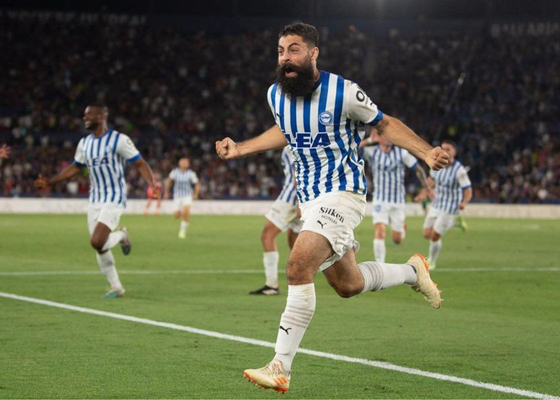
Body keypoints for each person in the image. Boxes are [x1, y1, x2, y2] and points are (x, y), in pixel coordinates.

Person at [215, 22, 449, 392]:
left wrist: (425, 152)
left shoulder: (344, 92)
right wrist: (242, 148)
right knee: (347, 284)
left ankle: (280, 366)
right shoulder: (276, 95)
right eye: (280, 51)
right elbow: (285, 130)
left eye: (294, 50)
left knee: (297, 266)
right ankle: (412, 271)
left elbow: (385, 124)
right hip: (309, 201)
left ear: (313, 53)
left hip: (343, 193)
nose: (285, 58)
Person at [34, 103, 159, 298]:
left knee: (97, 241)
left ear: (101, 116)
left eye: (89, 115)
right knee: (100, 247)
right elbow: (75, 167)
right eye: (84, 115)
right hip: (95, 199)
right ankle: (116, 287)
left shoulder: (119, 140)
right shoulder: (84, 143)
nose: (85, 118)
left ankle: (122, 235)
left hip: (114, 196)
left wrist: (152, 184)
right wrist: (50, 181)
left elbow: (140, 163)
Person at [360, 128, 431, 262]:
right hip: (380, 199)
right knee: (380, 231)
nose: (388, 138)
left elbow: (418, 169)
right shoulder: (372, 152)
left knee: (397, 239)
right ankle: (380, 266)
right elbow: (353, 149)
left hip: (397, 200)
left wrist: (426, 189)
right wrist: (369, 140)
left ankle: (401, 225)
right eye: (385, 135)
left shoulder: (402, 153)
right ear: (379, 137)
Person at [250, 147, 302, 295]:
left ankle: (271, 285)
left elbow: (300, 172)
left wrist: (300, 201)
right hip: (303, 198)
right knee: (295, 242)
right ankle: (302, 279)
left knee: (267, 235)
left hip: (291, 198)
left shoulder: (294, 143)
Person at [419, 140, 472, 270]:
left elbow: (468, 189)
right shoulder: (436, 164)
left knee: (435, 235)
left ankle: (431, 261)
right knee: (426, 234)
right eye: (443, 148)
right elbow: (431, 180)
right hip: (436, 204)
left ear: (454, 152)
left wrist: (464, 202)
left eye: (448, 149)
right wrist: (425, 193)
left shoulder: (459, 171)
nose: (444, 151)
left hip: (450, 208)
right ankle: (455, 222)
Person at [164, 158, 200, 239]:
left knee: (186, 211)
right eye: (183, 162)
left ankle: (182, 231)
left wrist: (195, 194)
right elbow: (169, 182)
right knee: (176, 215)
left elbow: (197, 184)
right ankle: (185, 219)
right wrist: (166, 192)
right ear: (179, 164)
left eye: (186, 162)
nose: (185, 163)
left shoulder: (191, 174)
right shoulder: (174, 172)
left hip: (187, 195)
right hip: (177, 196)